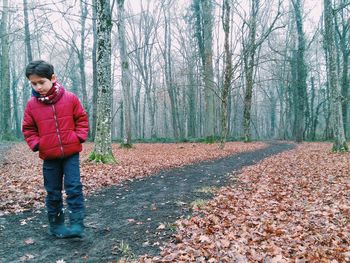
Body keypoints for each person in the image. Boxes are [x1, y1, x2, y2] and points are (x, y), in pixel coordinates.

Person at [22, 60, 89, 238]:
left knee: (74, 187)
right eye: (33, 84)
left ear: (53, 78)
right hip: (49, 156)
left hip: (71, 154)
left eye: (41, 82)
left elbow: (82, 119)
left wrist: (79, 137)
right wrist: (37, 144)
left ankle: (77, 223)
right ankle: (56, 225)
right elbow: (28, 129)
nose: (38, 87)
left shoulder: (70, 98)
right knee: (53, 191)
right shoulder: (31, 105)